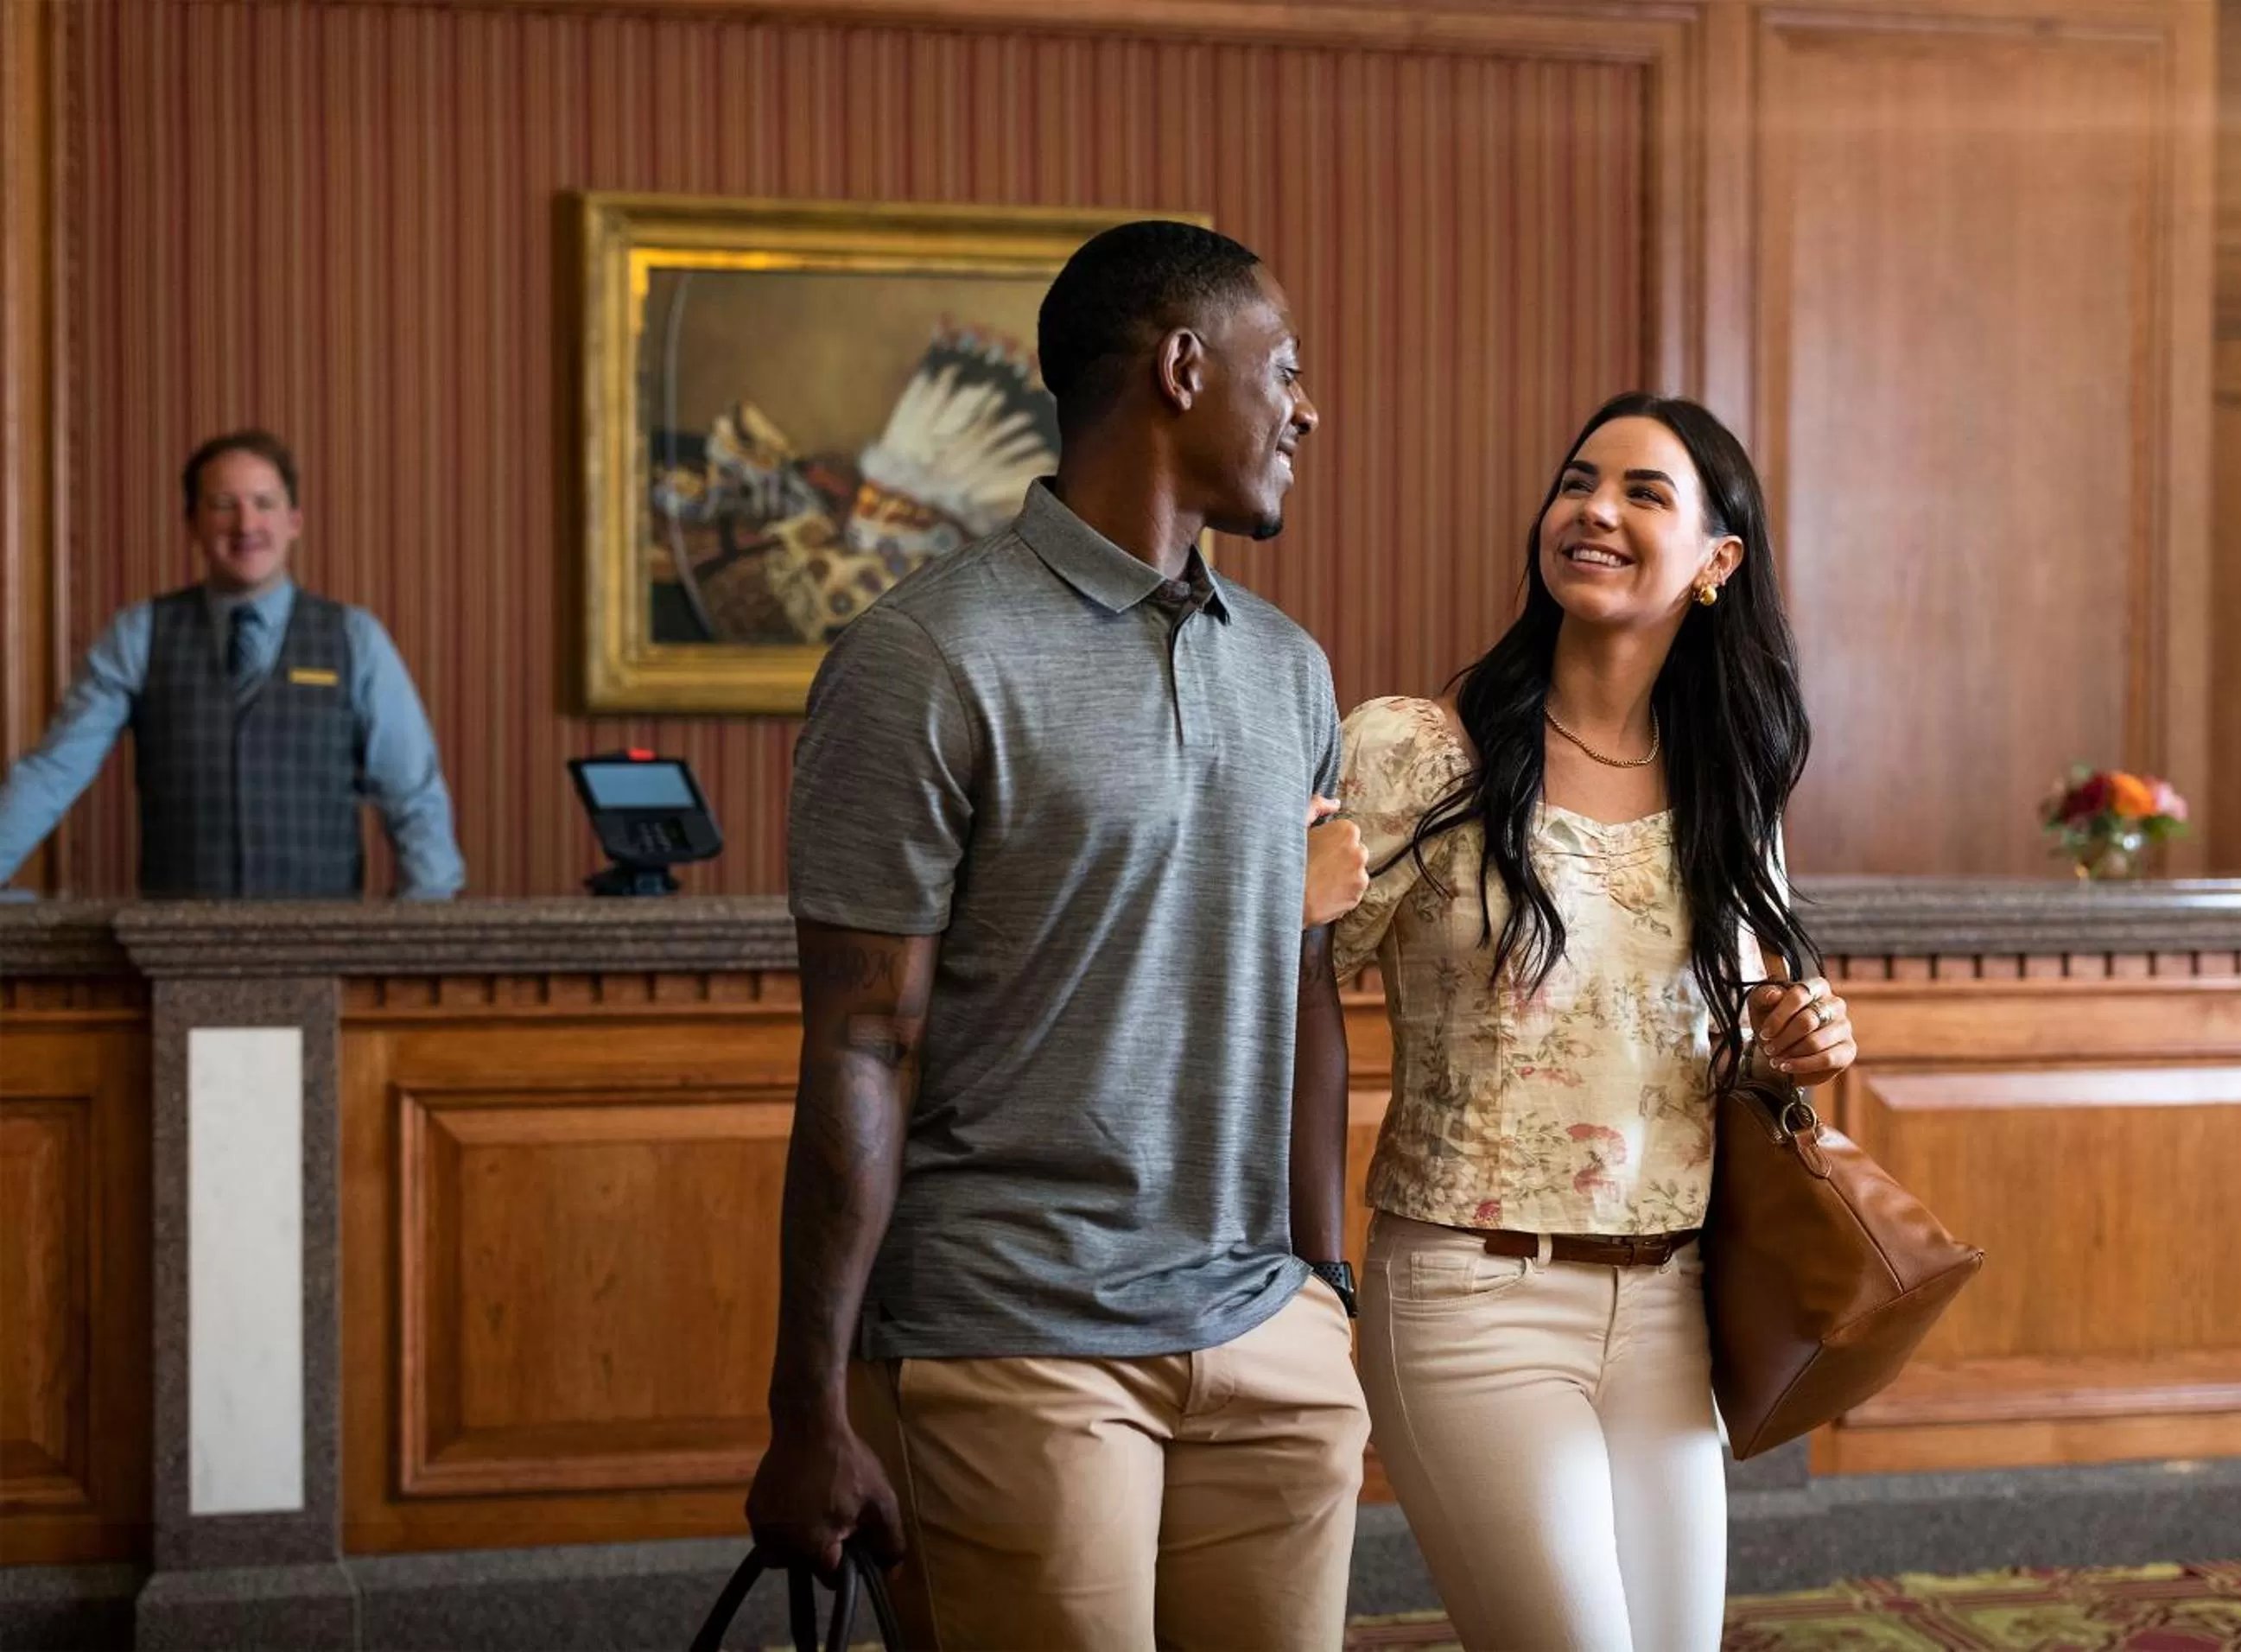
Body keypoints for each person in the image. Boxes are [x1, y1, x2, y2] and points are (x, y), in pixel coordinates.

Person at [747, 220, 1368, 1651]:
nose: (1306, 408)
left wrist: (1323, 1292)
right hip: (1010, 1340)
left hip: (1264, 1340)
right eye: (1283, 368)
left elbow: (1302, 991)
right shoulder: (922, 659)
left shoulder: (1290, 670)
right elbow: (856, 1047)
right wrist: (807, 1404)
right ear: (1182, 368)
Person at [1310, 395, 1859, 1651]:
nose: (1594, 510)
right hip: (1471, 1297)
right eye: (1577, 483)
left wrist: (1795, 1049)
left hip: (1672, 1305)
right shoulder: (1416, 753)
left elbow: (1703, 1047)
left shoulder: (1733, 789)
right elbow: (1275, 985)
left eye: (1643, 494)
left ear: (1719, 562)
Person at [0, 429, 463, 899]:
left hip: (322, 934)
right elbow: (54, 771)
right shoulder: (138, 634)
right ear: (192, 524)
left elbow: (413, 792)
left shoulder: (356, 638)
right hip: (174, 936)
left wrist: (427, 911)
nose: (246, 525)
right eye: (224, 505)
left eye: (264, 503)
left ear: (294, 521)